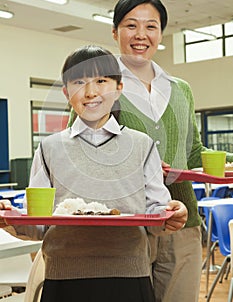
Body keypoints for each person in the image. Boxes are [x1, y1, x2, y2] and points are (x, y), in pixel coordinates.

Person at [67, 0, 233, 302]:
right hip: (125, 225)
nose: (141, 35)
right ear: (115, 32)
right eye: (131, 26)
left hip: (181, 221)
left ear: (161, 33)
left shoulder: (180, 89)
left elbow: (193, 151)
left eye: (151, 26)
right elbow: (72, 151)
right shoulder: (96, 82)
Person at [0, 45, 187, 302]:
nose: (90, 92)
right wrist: (10, 219)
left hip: (129, 274)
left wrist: (172, 215)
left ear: (119, 88)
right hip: (63, 276)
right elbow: (40, 224)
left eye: (101, 80)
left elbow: (157, 215)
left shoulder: (142, 145)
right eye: (79, 82)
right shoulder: (49, 147)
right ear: (66, 92)